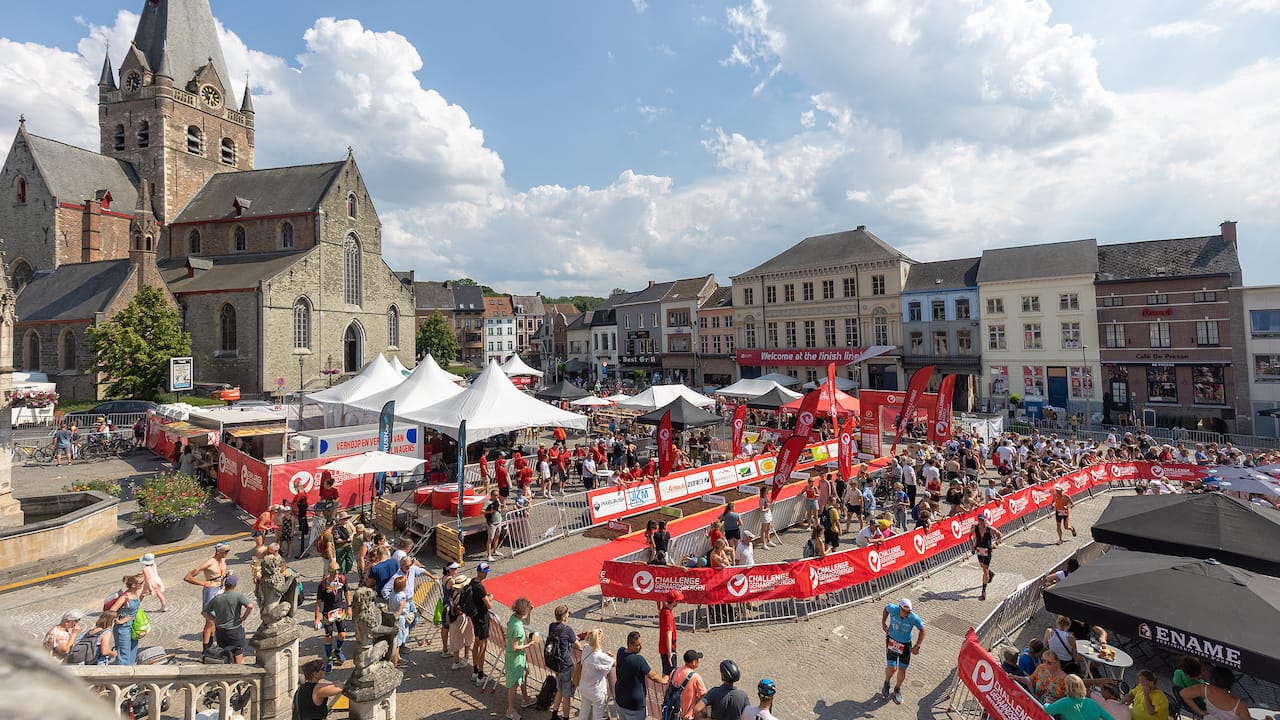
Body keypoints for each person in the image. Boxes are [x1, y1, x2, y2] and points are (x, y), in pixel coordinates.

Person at [185, 541, 231, 647]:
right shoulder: (209, 562)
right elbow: (188, 577)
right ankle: (205, 648)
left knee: (216, 619)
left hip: (220, 588)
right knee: (210, 620)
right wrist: (203, 583)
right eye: (226, 551)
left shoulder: (223, 560)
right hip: (211, 590)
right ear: (219, 551)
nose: (227, 553)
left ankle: (211, 644)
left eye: (228, 550)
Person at [615, 631, 668, 720]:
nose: (640, 647)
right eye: (637, 645)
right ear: (630, 645)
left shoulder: (620, 651)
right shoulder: (638, 660)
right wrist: (664, 680)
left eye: (640, 644)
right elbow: (652, 676)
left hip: (620, 699)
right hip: (634, 705)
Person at [880, 598, 925, 704]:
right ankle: (886, 683)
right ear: (900, 608)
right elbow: (886, 609)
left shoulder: (913, 618)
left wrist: (917, 646)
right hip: (891, 640)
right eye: (905, 612)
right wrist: (883, 623)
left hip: (905, 645)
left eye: (909, 612)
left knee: (902, 669)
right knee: (892, 668)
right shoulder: (893, 609)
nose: (907, 614)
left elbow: (923, 630)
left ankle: (897, 689)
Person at [203, 574, 254, 664]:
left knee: (224, 652)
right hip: (235, 630)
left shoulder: (217, 598)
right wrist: (244, 617)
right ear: (235, 585)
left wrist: (214, 619)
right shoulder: (238, 595)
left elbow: (204, 612)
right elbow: (250, 606)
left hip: (220, 631)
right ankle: (238, 673)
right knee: (238, 650)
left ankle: (227, 671)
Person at [504, 597, 539, 720]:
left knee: (524, 675)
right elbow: (515, 647)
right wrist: (529, 644)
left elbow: (526, 622)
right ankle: (510, 710)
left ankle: (525, 698)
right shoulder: (518, 628)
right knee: (513, 685)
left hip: (517, 657)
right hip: (515, 657)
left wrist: (530, 612)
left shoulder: (514, 618)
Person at [314, 562, 351, 672]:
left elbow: (347, 592)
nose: (337, 573)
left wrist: (349, 607)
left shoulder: (342, 579)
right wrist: (316, 618)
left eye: (338, 570)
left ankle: (338, 650)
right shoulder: (323, 584)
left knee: (342, 634)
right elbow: (318, 602)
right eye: (335, 571)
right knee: (328, 637)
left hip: (340, 611)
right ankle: (329, 658)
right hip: (328, 613)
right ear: (330, 572)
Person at [547, 605, 580, 720]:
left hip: (556, 664)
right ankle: (566, 717)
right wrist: (573, 639)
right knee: (567, 695)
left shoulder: (551, 626)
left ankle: (554, 714)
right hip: (566, 665)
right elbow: (578, 645)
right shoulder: (568, 629)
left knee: (559, 690)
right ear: (564, 616)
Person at [577, 628, 615, 720]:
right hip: (596, 691)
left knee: (584, 712)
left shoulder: (586, 648)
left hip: (584, 687)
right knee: (597, 715)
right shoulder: (601, 657)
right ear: (600, 639)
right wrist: (613, 656)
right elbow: (614, 663)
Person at [106, 574, 145, 665]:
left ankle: (130, 673)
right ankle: (122, 675)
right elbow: (111, 611)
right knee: (123, 654)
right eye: (141, 583)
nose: (143, 584)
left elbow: (133, 607)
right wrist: (120, 621)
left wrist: (142, 597)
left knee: (132, 651)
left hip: (133, 626)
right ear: (134, 585)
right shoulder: (124, 597)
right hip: (123, 628)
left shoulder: (135, 594)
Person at [468, 563, 494, 687]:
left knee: (477, 642)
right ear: (482, 573)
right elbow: (489, 605)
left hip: (474, 617)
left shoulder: (472, 582)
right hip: (482, 618)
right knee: (483, 645)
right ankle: (480, 675)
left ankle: (475, 671)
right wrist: (490, 597)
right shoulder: (480, 587)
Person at [1045, 674, 1116, 720]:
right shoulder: (1094, 704)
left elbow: (1048, 709)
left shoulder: (1065, 702)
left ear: (1067, 688)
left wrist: (1046, 702)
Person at [664, 649, 706, 720]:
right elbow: (704, 695)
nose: (698, 662)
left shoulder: (674, 671)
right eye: (697, 660)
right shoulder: (695, 677)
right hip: (687, 716)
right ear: (693, 662)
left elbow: (668, 688)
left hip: (672, 713)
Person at [971, 514, 1004, 601]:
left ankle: (983, 591)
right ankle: (991, 574)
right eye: (979, 520)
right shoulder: (975, 527)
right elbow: (969, 536)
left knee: (984, 570)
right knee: (982, 566)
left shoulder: (990, 529)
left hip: (987, 550)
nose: (981, 522)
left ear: (985, 521)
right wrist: (972, 546)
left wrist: (996, 544)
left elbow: (1000, 535)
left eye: (982, 520)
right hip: (979, 549)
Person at [658, 590, 682, 675]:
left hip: (663, 647)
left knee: (665, 673)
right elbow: (669, 633)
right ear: (674, 601)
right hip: (669, 648)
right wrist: (669, 653)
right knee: (671, 675)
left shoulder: (663, 610)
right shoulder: (668, 614)